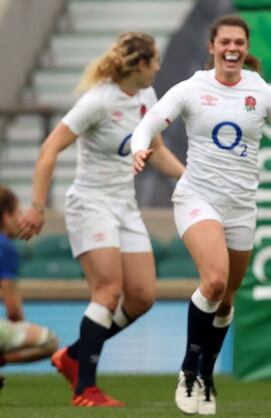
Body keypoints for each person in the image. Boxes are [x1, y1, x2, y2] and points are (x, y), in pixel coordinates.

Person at [130, 14, 271, 416]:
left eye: (239, 42)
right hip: (197, 197)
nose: (232, 48)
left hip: (241, 208)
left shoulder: (262, 93)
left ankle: (206, 374)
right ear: (212, 47)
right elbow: (149, 122)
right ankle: (187, 370)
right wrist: (140, 146)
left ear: (246, 48)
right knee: (213, 281)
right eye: (225, 42)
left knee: (227, 299)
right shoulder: (191, 89)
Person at [16, 32, 184, 407]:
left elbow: (154, 151)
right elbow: (49, 149)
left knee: (141, 297)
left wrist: (190, 178)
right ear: (140, 65)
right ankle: (85, 389)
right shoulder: (98, 101)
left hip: (124, 205)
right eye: (155, 61)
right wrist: (37, 206)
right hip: (90, 204)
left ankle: (74, 354)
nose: (158, 67)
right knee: (107, 292)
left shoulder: (147, 97)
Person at [0, 186, 59, 390]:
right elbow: (14, 312)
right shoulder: (4, 247)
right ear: (6, 216)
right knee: (48, 341)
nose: (20, 219)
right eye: (17, 213)